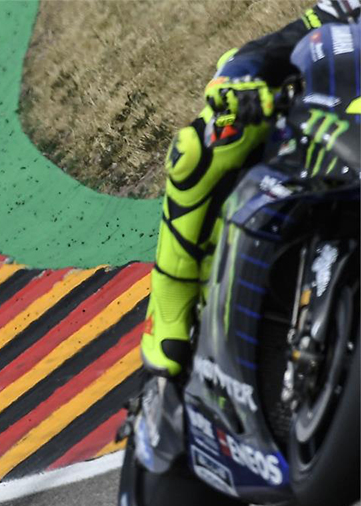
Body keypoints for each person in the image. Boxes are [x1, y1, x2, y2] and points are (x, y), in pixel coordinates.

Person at [141, 0, 361, 377]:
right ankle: (169, 300)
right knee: (212, 135)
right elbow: (286, 42)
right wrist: (240, 78)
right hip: (333, 148)